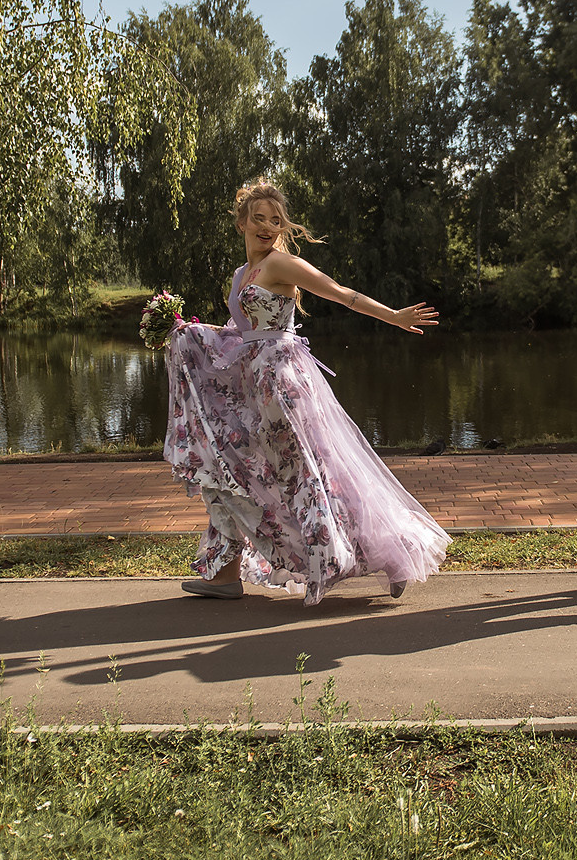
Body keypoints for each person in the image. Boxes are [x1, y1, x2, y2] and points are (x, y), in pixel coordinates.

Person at [162, 180, 450, 605]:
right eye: (258, 218)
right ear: (241, 222)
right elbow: (243, 335)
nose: (267, 226)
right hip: (256, 385)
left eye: (275, 220)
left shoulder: (282, 264)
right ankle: (223, 572)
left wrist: (394, 315)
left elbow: (341, 294)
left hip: (286, 384)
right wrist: (189, 333)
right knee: (228, 465)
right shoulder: (243, 275)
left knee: (310, 474)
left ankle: (392, 551)